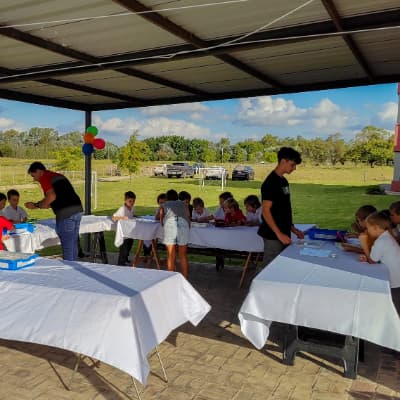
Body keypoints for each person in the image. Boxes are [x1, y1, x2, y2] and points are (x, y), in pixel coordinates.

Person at [25, 162, 83, 261]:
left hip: (66, 214)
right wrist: (40, 204)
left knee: (68, 246)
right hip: (77, 210)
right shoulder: (56, 176)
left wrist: (35, 205)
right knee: (73, 243)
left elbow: (51, 196)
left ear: (39, 171)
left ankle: (70, 271)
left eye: (33, 175)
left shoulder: (45, 178)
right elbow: (50, 202)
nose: (34, 179)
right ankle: (75, 266)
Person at [258, 147, 304, 266]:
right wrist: (278, 233)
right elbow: (266, 211)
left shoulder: (283, 181)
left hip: (283, 233)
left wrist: (292, 229)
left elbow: (283, 209)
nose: (294, 168)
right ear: (283, 161)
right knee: (269, 268)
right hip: (273, 236)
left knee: (281, 266)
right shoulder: (270, 183)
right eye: (292, 164)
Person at [359, 211, 400, 315]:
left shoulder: (381, 241)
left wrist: (364, 244)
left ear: (376, 228)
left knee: (396, 309)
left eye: (368, 228)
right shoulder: (386, 237)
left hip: (395, 282)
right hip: (397, 278)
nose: (367, 231)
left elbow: (372, 261)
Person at [159, 189, 190, 278]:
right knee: (183, 255)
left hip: (170, 224)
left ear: (167, 198)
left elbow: (161, 221)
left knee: (171, 255)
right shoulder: (184, 204)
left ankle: (171, 279)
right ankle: (185, 279)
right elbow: (188, 218)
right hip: (183, 225)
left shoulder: (164, 205)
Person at [112, 191, 137, 266]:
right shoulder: (122, 209)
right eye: (130, 201)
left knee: (129, 245)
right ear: (125, 200)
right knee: (124, 249)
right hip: (123, 233)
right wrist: (122, 217)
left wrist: (135, 216)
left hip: (129, 232)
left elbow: (131, 215)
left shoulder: (132, 208)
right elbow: (114, 218)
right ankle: (120, 264)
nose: (132, 203)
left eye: (133, 201)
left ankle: (125, 259)